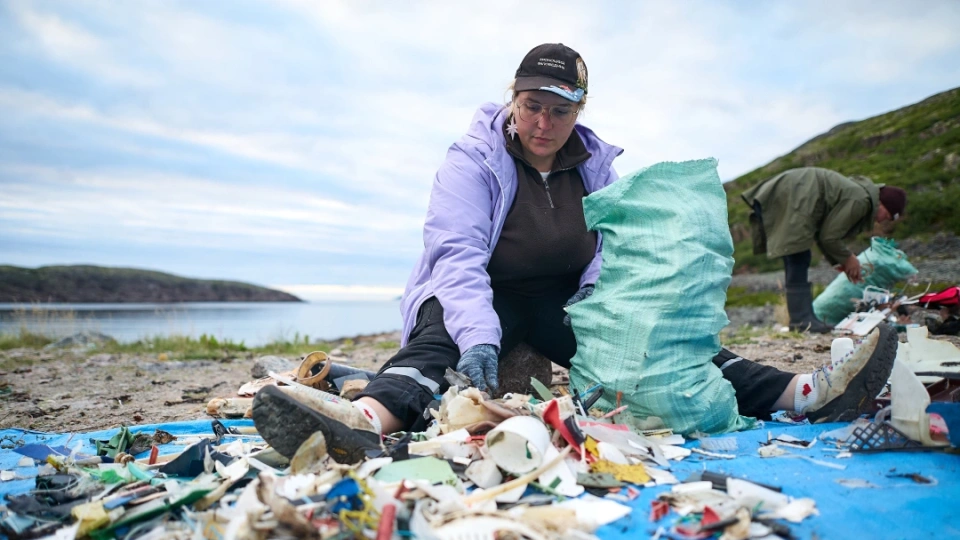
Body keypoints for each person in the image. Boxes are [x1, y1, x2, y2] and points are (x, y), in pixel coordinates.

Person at [253, 44, 899, 461]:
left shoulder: (595, 168)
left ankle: (804, 391)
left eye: (559, 111)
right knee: (435, 346)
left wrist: (609, 309)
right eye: (532, 106)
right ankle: (359, 418)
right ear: (514, 99)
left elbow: (608, 256)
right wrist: (480, 335)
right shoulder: (472, 160)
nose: (543, 124)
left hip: (563, 302)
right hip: (477, 295)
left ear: (579, 110)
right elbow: (455, 256)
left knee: (661, 351)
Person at [741, 167, 907, 333]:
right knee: (798, 256)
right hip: (791, 195)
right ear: (882, 203)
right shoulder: (860, 200)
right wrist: (848, 258)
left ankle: (804, 319)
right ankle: (802, 320)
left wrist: (839, 261)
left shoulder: (857, 195)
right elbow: (829, 236)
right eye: (890, 214)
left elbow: (824, 232)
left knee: (798, 256)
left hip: (789, 193)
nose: (887, 220)